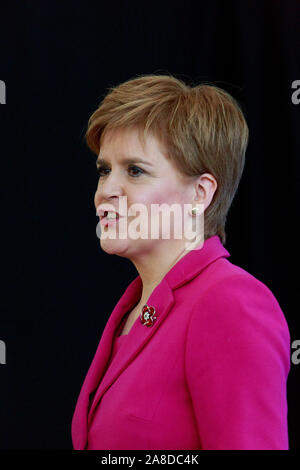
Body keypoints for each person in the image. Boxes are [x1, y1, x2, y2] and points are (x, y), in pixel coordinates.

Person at [71, 74, 290, 450]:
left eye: (135, 171)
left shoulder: (230, 303)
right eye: (104, 170)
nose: (105, 191)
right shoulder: (134, 307)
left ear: (200, 193)